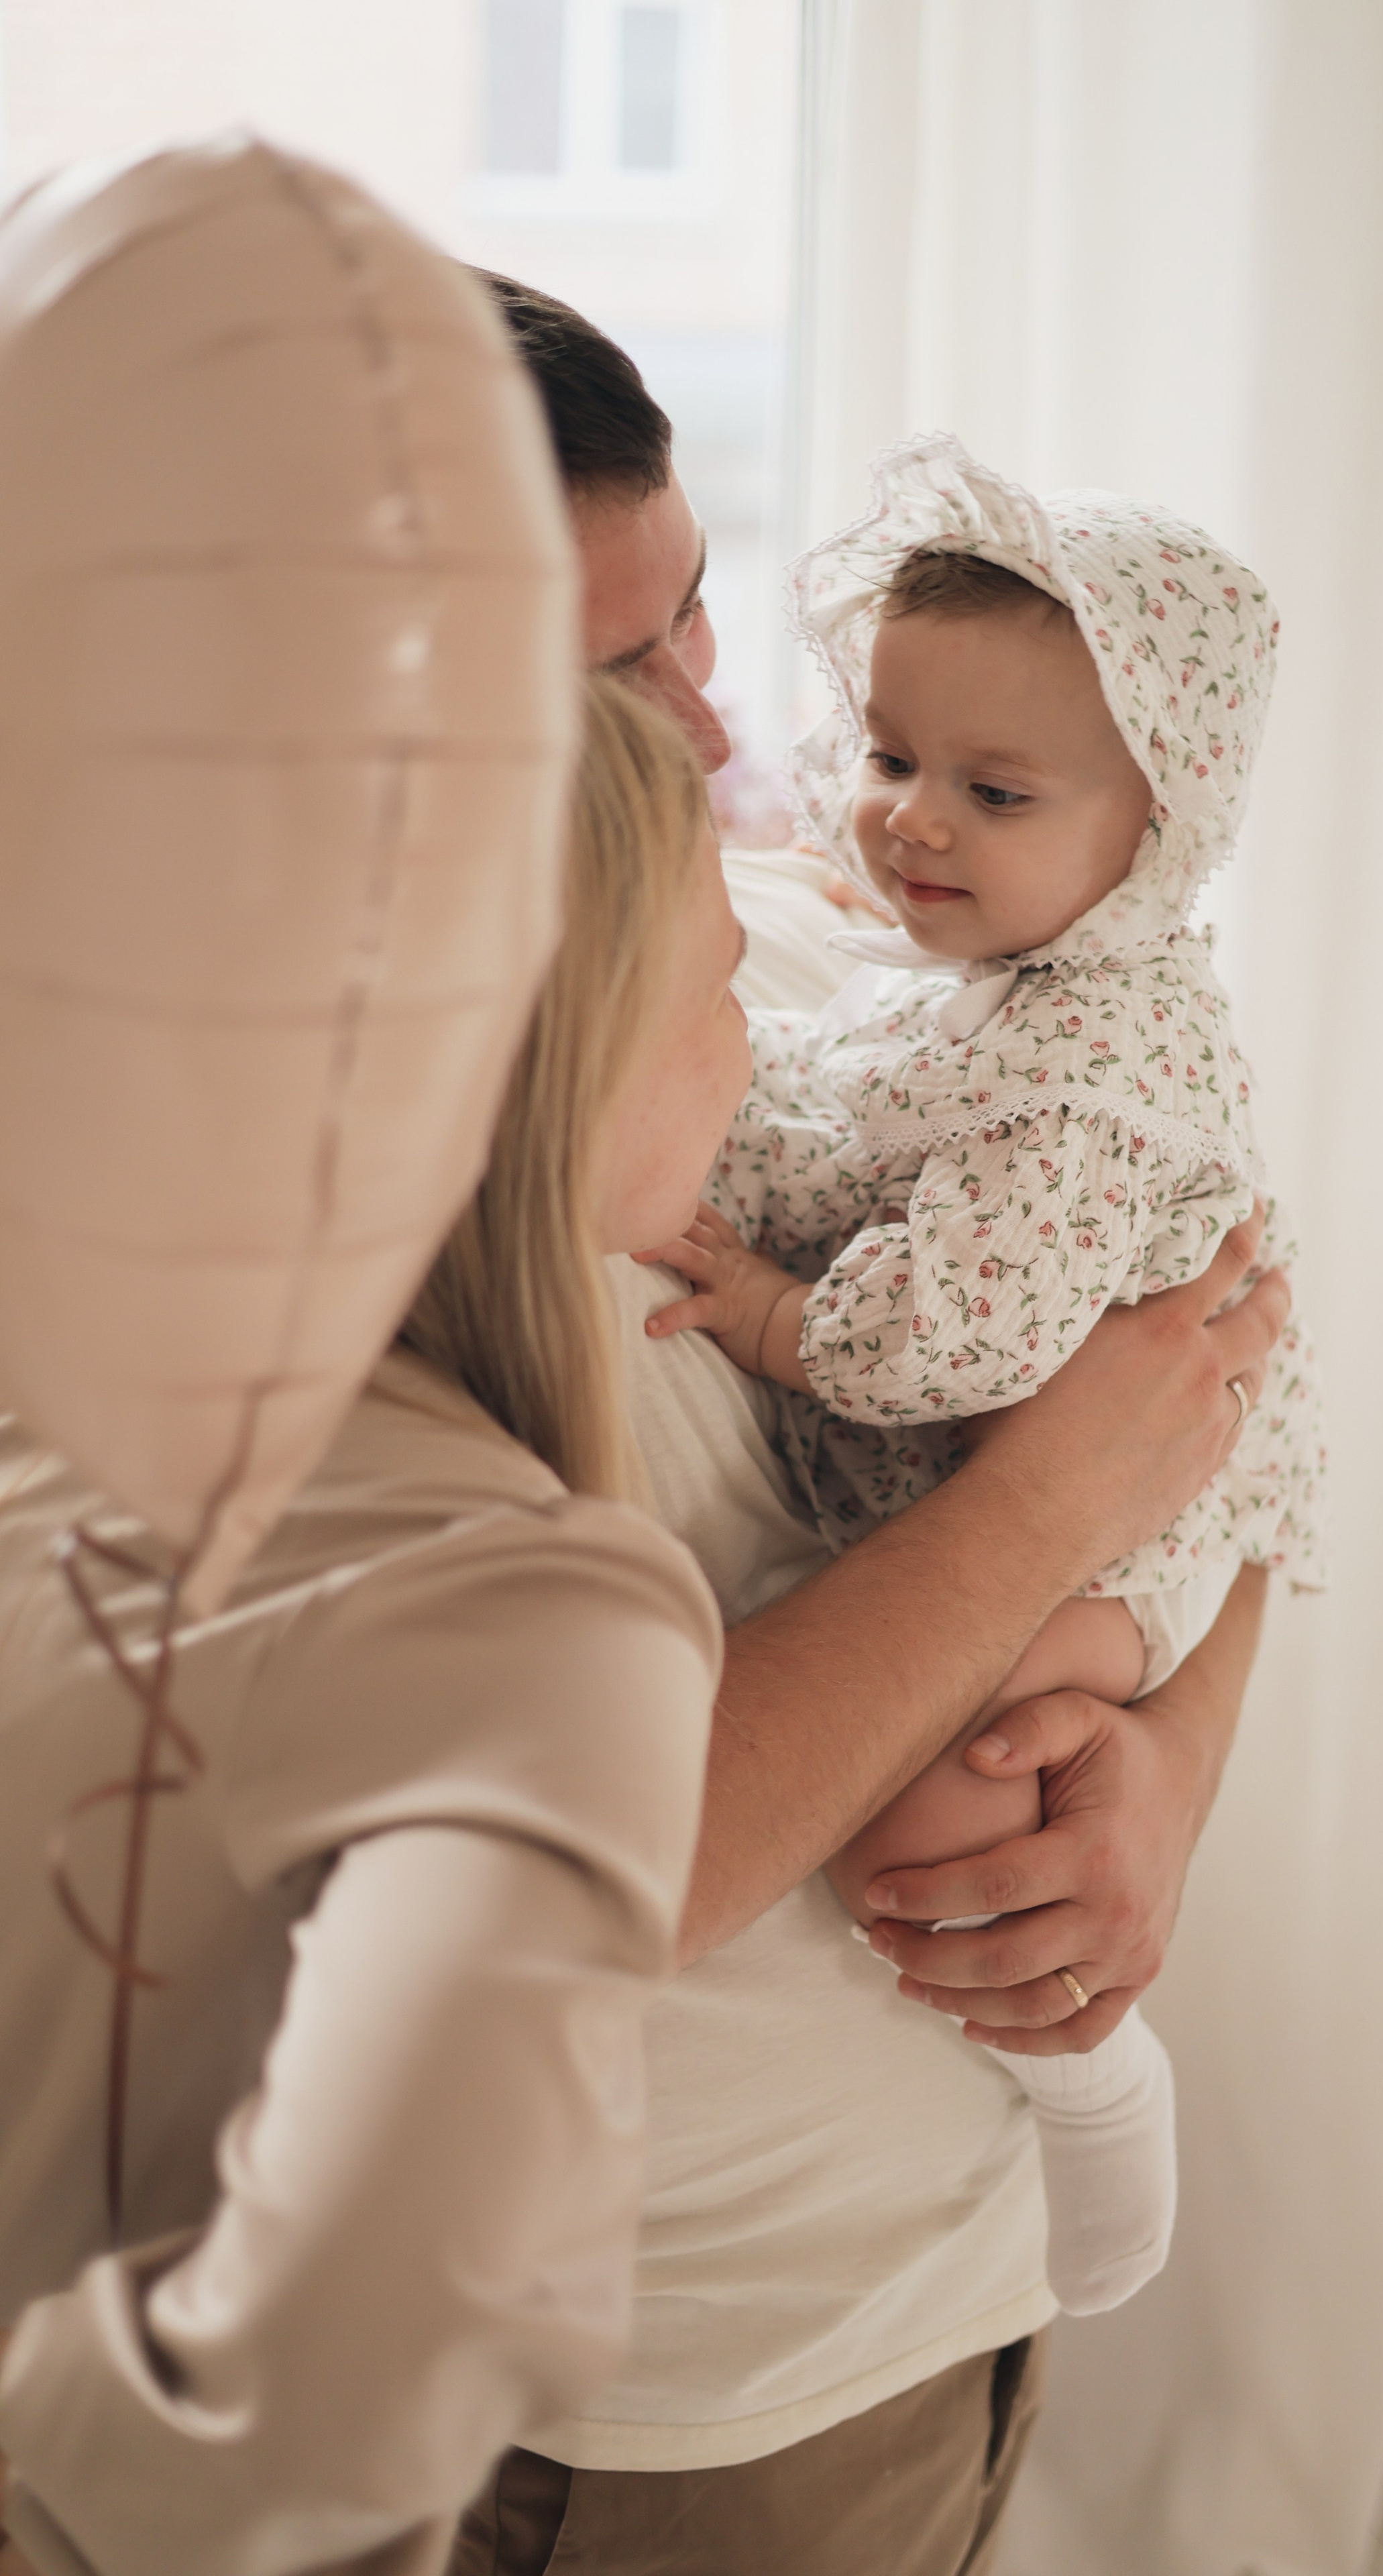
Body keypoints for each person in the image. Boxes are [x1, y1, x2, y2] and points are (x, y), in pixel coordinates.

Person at [449, 286, 1292, 2575]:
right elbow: (599, 1866)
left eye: (698, 615)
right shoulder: (298, 1243)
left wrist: (1171, 1762)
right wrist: (1049, 1510)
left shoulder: (862, 946)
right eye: (612, 678)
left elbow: (1218, 1372)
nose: (717, 721)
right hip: (665, 2399)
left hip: (946, 2281)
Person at [0, 684, 742, 2576]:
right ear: (573, 1058)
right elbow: (308, 2416)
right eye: (727, 988)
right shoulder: (537, 1613)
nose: (757, 1051)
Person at [641, 437, 1329, 2323]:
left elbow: (961, 1332)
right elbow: (836, 1112)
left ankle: (1098, 2084)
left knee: (945, 1808)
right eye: (888, 759)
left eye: (994, 790)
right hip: (1083, 1491)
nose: (910, 826)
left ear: (1157, 826)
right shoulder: (954, 971)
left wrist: (772, 1317)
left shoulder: (1088, 1067)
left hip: (1132, 1539)